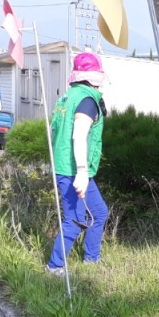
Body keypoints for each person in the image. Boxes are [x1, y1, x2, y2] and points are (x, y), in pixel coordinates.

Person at [46, 52, 109, 275]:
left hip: (67, 165)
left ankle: (91, 260)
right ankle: (55, 267)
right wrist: (81, 172)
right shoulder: (87, 101)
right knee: (74, 220)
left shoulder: (67, 96)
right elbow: (79, 136)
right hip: (73, 169)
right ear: (94, 76)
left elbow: (54, 132)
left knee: (99, 212)